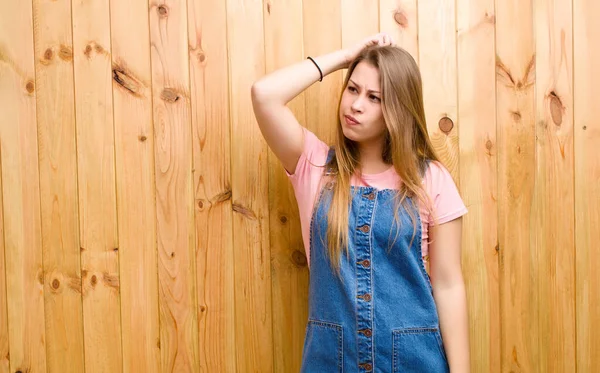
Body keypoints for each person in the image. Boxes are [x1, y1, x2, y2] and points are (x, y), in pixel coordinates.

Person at [251, 32, 470, 373]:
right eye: (352, 89)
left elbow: (448, 284)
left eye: (374, 97)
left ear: (397, 109)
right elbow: (264, 95)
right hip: (331, 362)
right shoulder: (315, 167)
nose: (355, 105)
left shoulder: (431, 179)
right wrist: (345, 57)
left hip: (415, 360)